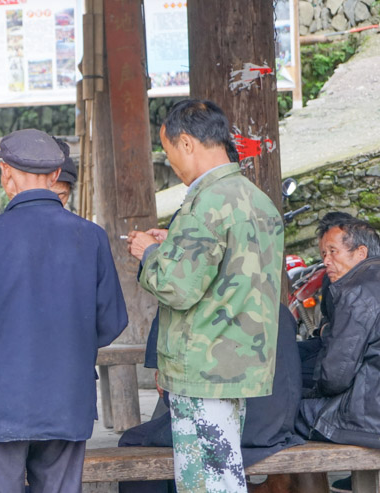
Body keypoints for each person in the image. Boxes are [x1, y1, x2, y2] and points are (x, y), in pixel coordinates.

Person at [0, 128, 128, 493]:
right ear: (57, 175)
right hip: (68, 397)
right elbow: (112, 320)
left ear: (5, 173)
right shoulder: (91, 237)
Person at [126, 99, 284, 493]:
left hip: (203, 368)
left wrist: (147, 253)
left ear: (186, 143)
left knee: (206, 481)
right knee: (224, 472)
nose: (170, 162)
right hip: (239, 363)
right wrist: (175, 242)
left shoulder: (205, 201)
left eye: (167, 151)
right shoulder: (254, 197)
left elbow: (177, 288)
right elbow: (228, 266)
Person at [117, 304, 306, 493]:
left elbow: (178, 397)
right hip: (278, 429)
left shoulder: (203, 311)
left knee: (135, 442)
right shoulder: (276, 307)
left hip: (234, 429)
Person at [296, 219, 380, 449]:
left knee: (279, 415)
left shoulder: (357, 292)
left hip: (367, 419)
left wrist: (307, 393)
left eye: (333, 252)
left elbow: (336, 377)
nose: (326, 261)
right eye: (324, 253)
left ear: (361, 253)